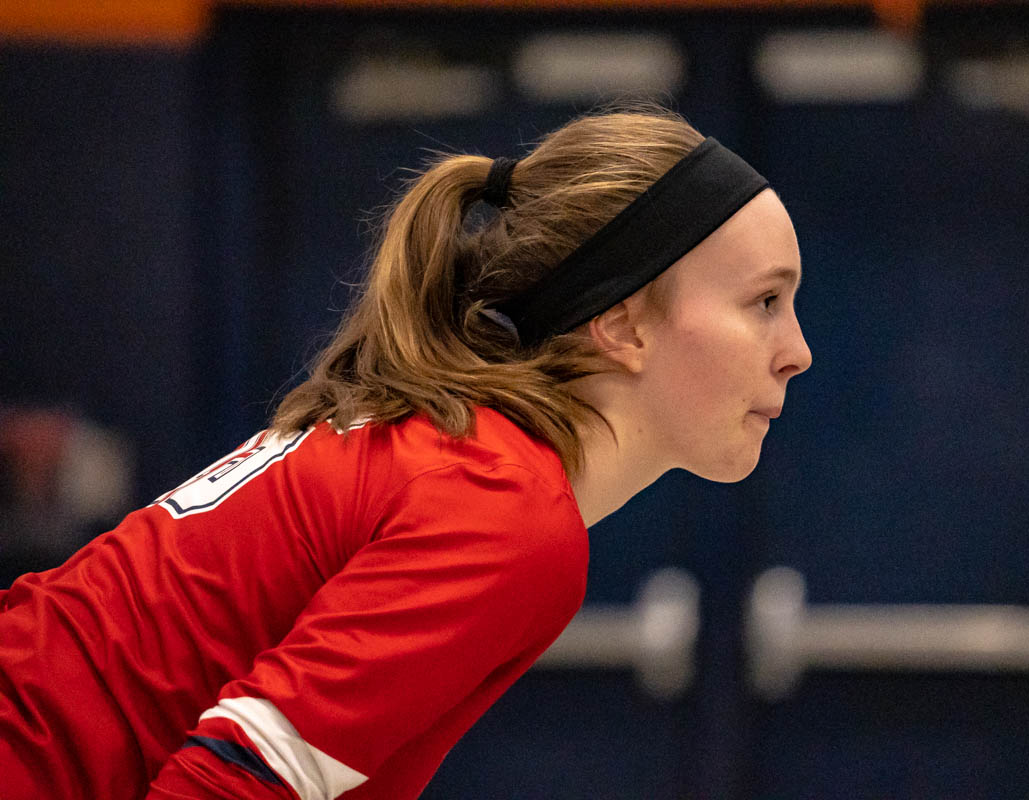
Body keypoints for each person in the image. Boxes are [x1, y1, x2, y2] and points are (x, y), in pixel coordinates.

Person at [0, 104, 811, 799]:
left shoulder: (451, 444)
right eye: (764, 301)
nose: (797, 350)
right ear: (624, 324)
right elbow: (231, 781)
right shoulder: (504, 510)